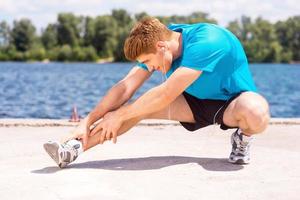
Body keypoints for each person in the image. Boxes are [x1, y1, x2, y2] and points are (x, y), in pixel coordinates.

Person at [43, 17, 270, 168]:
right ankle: (73, 150)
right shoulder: (161, 41)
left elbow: (167, 92)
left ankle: (242, 138)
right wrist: (88, 120)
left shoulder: (208, 41)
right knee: (134, 108)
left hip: (231, 103)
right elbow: (125, 86)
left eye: (149, 62)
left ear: (161, 47)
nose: (149, 67)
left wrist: (120, 114)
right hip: (192, 102)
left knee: (256, 112)